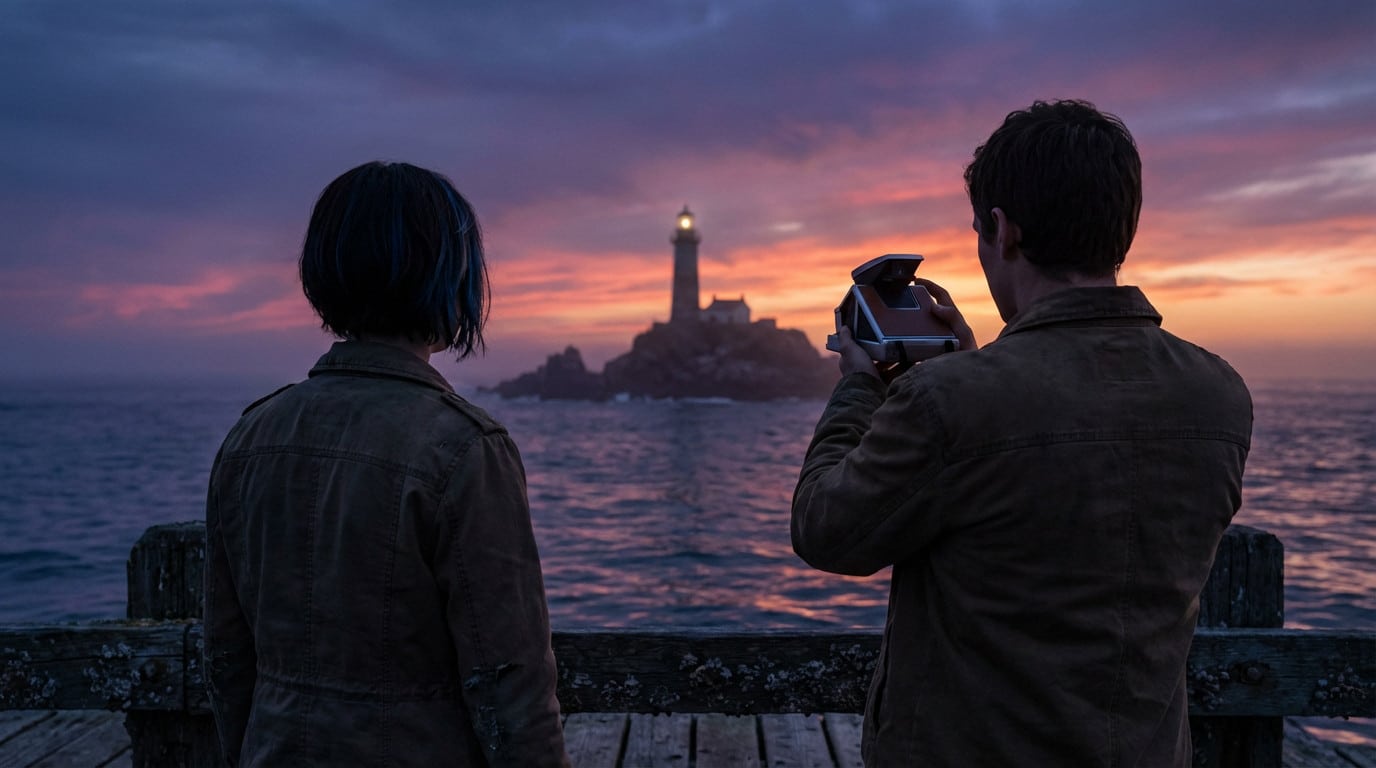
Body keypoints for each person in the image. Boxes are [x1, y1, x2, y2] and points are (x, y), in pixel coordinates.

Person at [791, 100, 1252, 767]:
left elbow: (825, 529)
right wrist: (969, 371)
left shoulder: (954, 401)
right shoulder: (1218, 393)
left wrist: (863, 383)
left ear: (1002, 230)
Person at [203, 161, 570, 767]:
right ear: (452, 277)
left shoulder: (249, 437)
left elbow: (226, 656)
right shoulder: (465, 448)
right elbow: (510, 680)